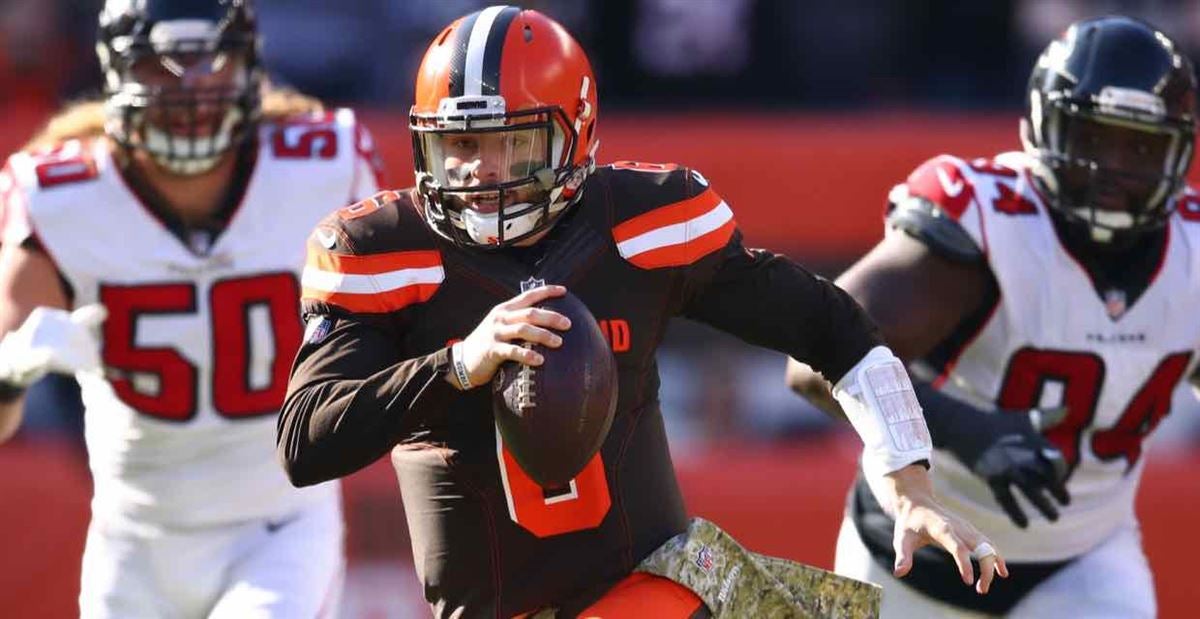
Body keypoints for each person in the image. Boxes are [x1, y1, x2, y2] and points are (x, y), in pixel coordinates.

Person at [278, 6, 1005, 617]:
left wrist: (908, 479)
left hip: (653, 586)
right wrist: (456, 366)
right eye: (462, 144)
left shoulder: (641, 225)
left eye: (512, 143)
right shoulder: (379, 252)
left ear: (577, 132)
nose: (480, 172)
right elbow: (306, 439)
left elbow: (831, 324)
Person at [786, 15, 1197, 618]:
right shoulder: (991, 222)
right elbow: (811, 355)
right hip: (911, 562)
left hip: (1082, 563)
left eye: (1138, 147)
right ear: (1041, 127)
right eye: (1090, 138)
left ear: (1177, 151)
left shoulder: (1191, 252)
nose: (1110, 171)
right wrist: (966, 431)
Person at [0, 0, 383, 616]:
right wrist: (11, 372)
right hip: (133, 540)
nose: (190, 93)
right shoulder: (59, 197)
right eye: (161, 68)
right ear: (115, 73)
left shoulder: (322, 166)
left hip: (279, 528)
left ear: (247, 69)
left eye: (210, 67)